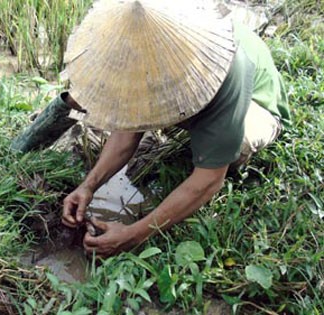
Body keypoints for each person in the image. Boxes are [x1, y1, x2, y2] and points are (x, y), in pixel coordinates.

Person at [57, 0, 290, 257]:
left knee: (237, 147)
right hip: (194, 82)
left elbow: (209, 180)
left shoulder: (228, 68)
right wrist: (88, 186)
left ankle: (214, 145)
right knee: (141, 107)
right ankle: (197, 134)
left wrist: (133, 234)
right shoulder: (144, 48)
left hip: (256, 103)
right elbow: (125, 135)